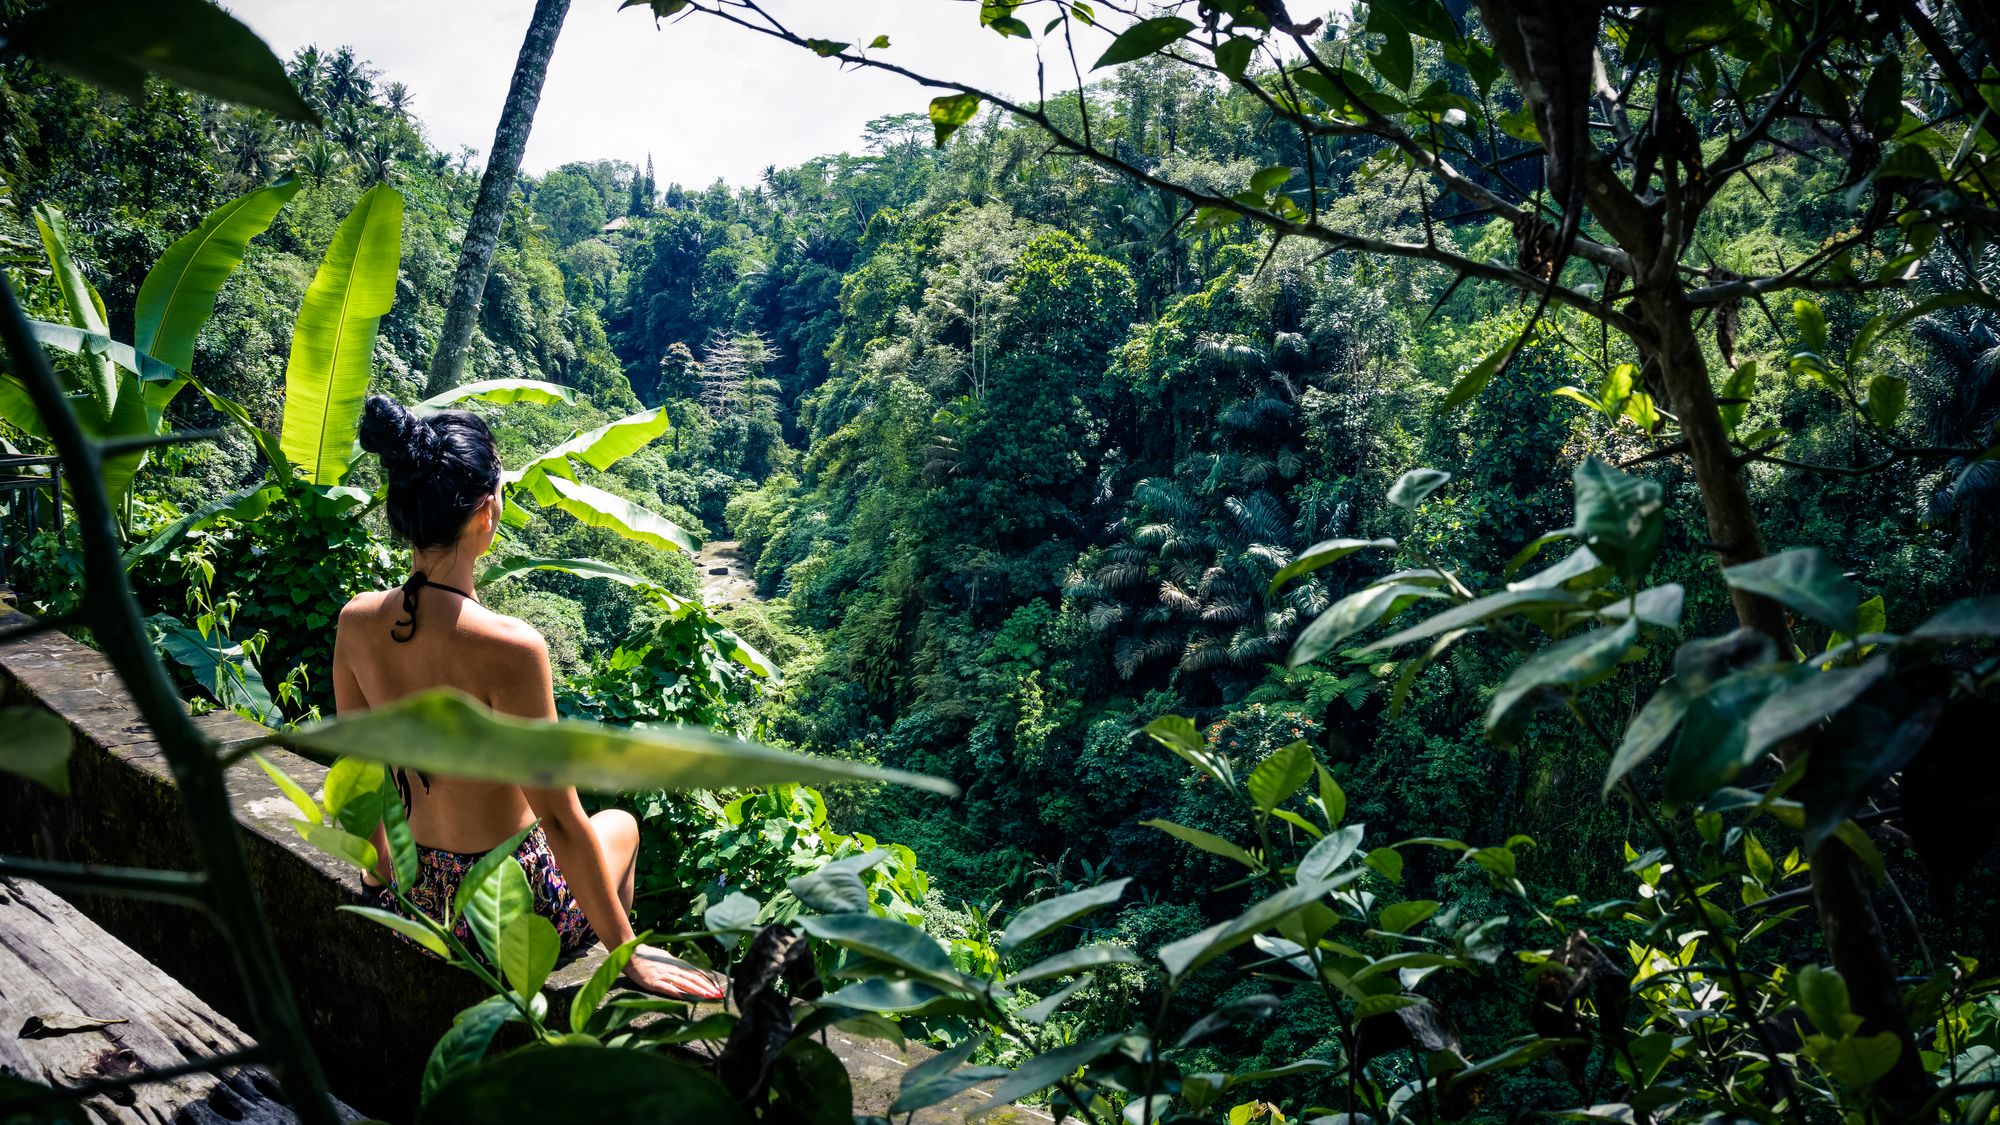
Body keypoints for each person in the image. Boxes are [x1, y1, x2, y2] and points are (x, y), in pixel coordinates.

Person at [336, 395, 722, 1002]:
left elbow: (358, 779)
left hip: (418, 897)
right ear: (484, 513)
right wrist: (629, 955)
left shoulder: (356, 621)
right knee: (617, 823)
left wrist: (382, 876)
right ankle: (605, 976)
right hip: (505, 910)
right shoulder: (510, 647)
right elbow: (562, 821)